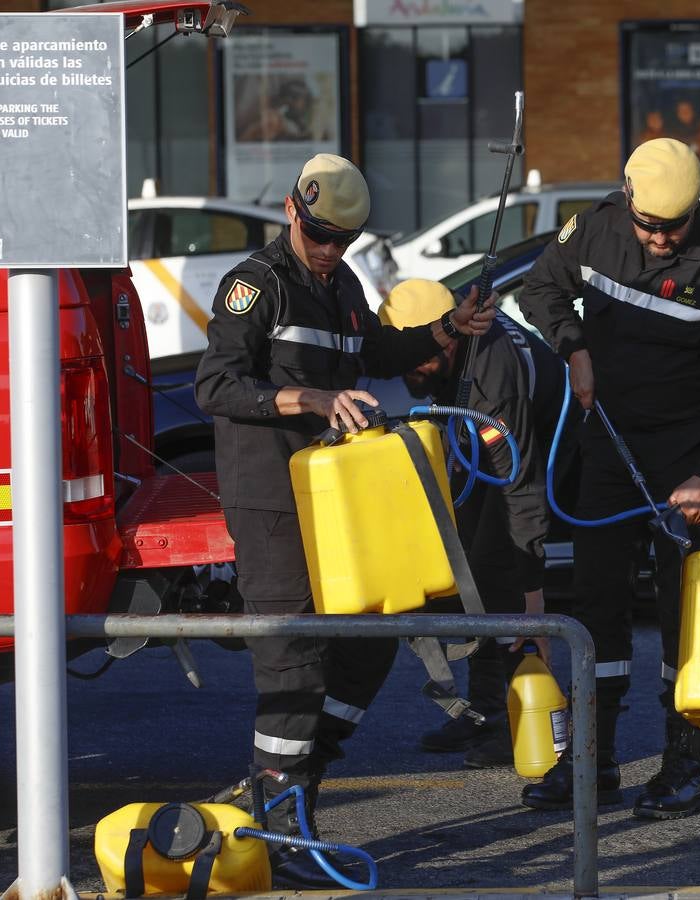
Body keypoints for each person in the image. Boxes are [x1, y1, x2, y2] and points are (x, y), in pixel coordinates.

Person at [194, 154, 495, 886]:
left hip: (340, 502)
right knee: (293, 662)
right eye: (322, 234)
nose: (330, 251)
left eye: (345, 241)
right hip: (271, 502)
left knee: (368, 643)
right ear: (295, 211)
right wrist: (312, 400)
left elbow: (377, 349)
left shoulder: (344, 285)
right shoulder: (253, 285)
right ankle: (284, 828)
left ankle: (292, 783)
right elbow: (217, 383)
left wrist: (446, 329)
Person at [516, 138, 700, 819]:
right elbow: (540, 287)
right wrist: (572, 346)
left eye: (677, 225)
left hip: (689, 465)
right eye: (652, 226)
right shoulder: (597, 227)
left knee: (686, 619)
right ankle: (593, 760)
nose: (663, 239)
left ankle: (684, 767)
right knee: (596, 606)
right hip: (611, 448)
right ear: (629, 200)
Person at [379, 279, 567, 769]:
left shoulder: (490, 373)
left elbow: (520, 488)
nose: (411, 370)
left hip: (549, 442)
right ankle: (485, 712)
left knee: (497, 567)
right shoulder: (449, 313)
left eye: (420, 359)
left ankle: (516, 719)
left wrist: (532, 595)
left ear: (453, 342)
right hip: (481, 442)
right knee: (466, 565)